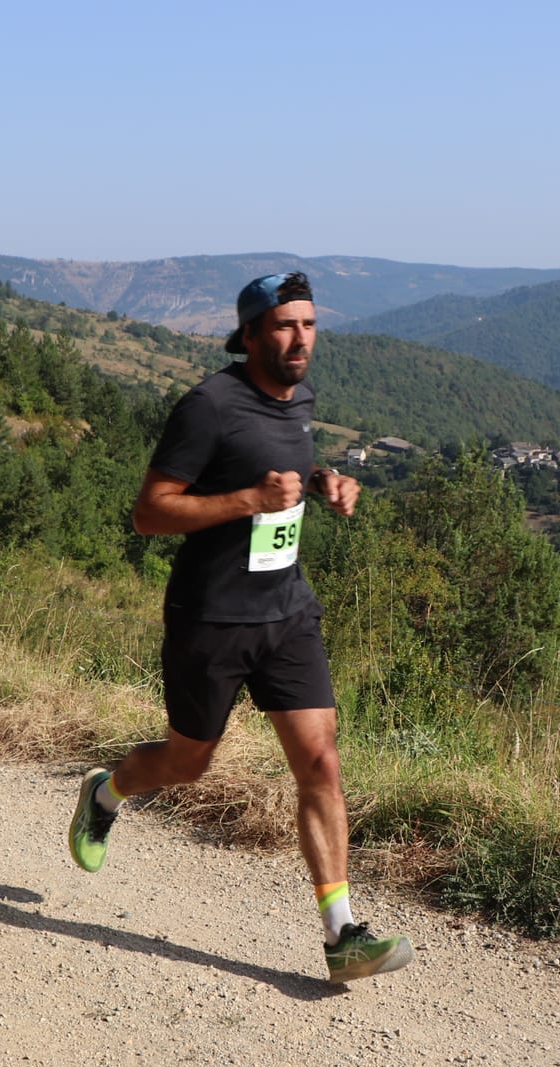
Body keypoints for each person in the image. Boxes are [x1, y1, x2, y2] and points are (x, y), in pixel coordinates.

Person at [66, 272, 413, 985]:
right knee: (189, 762)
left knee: (321, 761)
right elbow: (150, 511)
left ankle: (342, 931)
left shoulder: (302, 397)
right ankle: (106, 792)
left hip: (287, 612)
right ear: (249, 333)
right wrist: (248, 498)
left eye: (310, 325)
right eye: (284, 326)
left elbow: (286, 462)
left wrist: (324, 482)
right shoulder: (210, 406)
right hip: (211, 618)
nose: (300, 339)